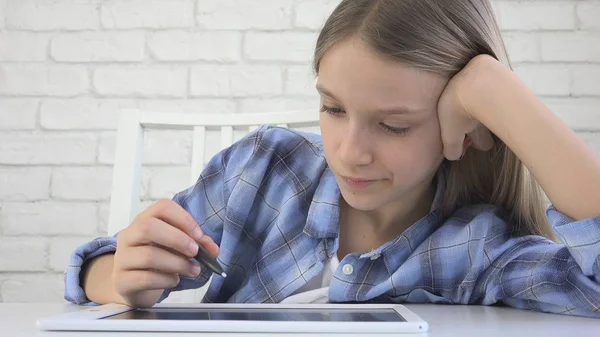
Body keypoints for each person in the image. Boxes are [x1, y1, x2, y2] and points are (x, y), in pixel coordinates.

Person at [64, 0, 600, 317]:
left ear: (466, 127)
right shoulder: (262, 170)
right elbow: (98, 268)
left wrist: (495, 91)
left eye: (394, 125)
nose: (350, 151)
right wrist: (118, 278)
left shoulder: (479, 248)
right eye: (332, 107)